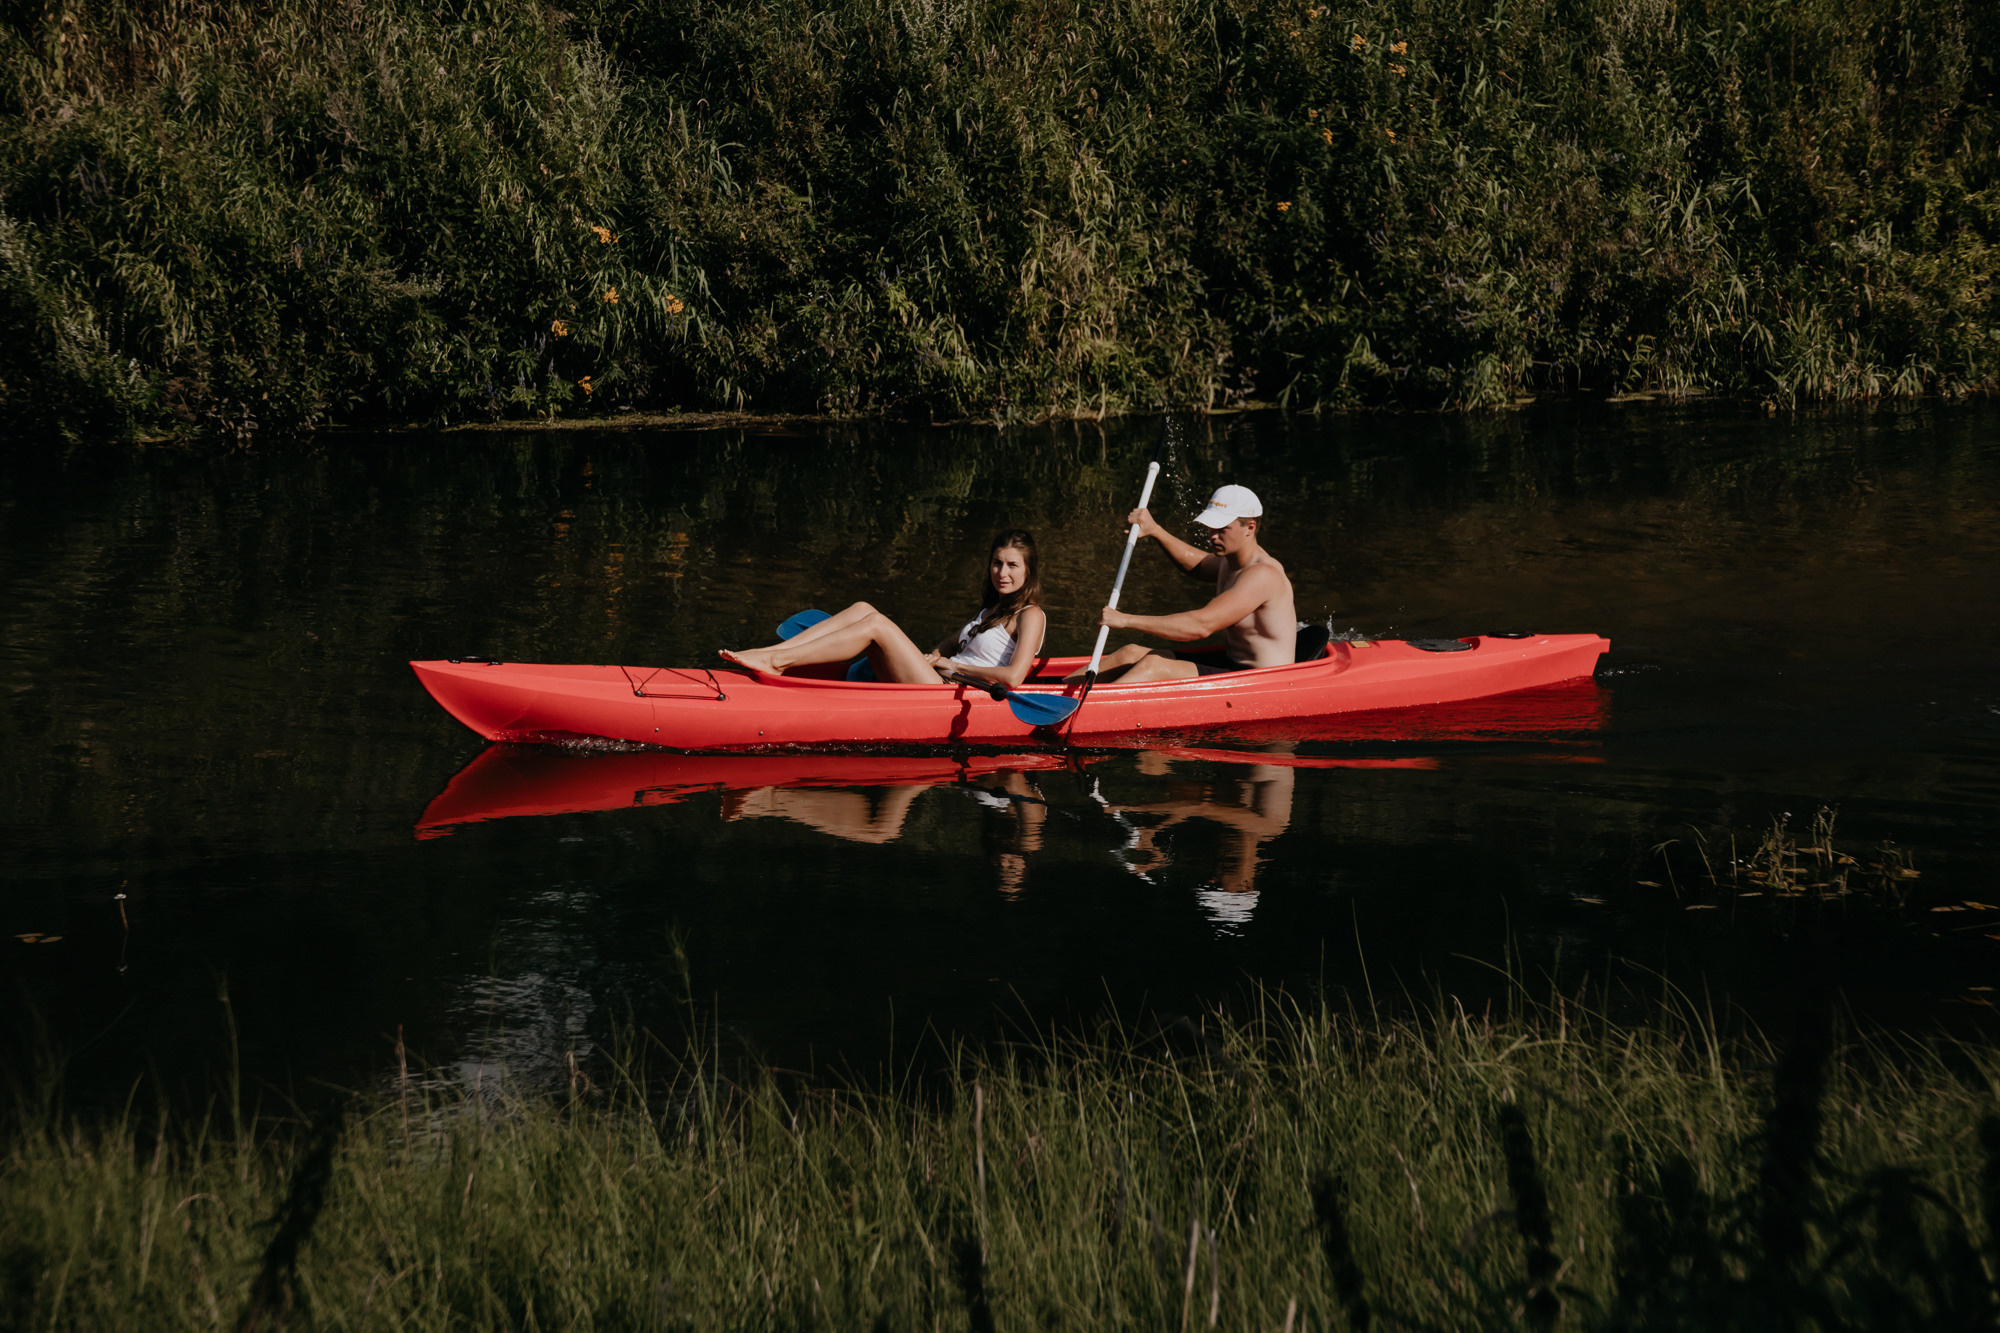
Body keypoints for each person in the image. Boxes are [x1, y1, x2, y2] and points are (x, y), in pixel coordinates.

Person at [720, 529, 1048, 686]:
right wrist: (933, 656)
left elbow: (1014, 678)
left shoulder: (1029, 615)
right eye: (996, 563)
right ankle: (774, 654)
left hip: (951, 690)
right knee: (864, 607)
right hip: (937, 676)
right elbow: (948, 644)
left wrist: (952, 667)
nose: (1001, 573)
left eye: (1011, 566)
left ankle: (776, 661)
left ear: (1028, 571)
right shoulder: (991, 610)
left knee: (876, 624)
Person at [1081, 484, 1297, 682]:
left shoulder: (1262, 575)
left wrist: (1125, 620)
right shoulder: (1229, 561)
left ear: (1249, 527)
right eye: (1211, 527)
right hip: (1232, 666)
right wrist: (1155, 530)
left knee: (1155, 666)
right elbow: (1200, 565)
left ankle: (1087, 712)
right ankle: (1057, 691)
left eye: (1222, 529)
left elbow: (1200, 626)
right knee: (1130, 653)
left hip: (1264, 680)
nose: (1212, 535)